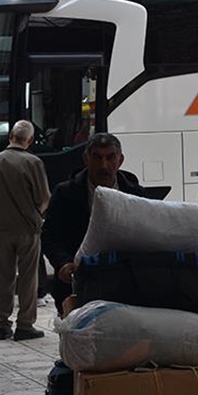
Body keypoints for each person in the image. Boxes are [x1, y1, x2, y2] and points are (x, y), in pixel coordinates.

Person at [42, 132, 148, 314]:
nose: (103, 165)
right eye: (97, 158)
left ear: (120, 160)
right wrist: (63, 263)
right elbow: (49, 236)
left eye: (110, 157)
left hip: (124, 289)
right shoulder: (65, 194)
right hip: (78, 289)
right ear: (86, 159)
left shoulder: (136, 195)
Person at [0, 120, 51, 340]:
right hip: (27, 229)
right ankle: (25, 324)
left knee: (3, 276)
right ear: (29, 139)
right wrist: (37, 216)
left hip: (0, 229)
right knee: (28, 278)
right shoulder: (33, 162)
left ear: (11, 135)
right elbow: (43, 197)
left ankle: (2, 323)